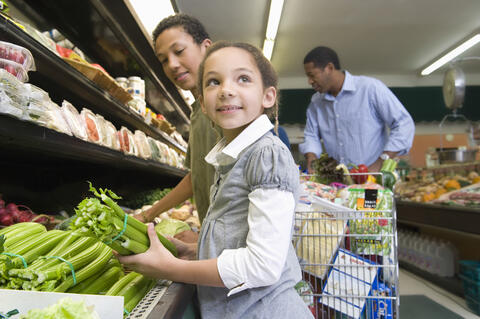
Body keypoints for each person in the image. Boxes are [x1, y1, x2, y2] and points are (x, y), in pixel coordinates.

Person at [117, 41, 313, 318]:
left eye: (243, 79)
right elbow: (240, 237)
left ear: (268, 97)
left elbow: (262, 265)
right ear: (203, 104)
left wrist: (168, 268)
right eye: (213, 82)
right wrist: (197, 250)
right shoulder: (232, 159)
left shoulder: (266, 155)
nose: (226, 90)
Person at [134, 14, 219, 226]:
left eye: (179, 51)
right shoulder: (198, 112)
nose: (172, 64)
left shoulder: (226, 107)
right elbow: (195, 178)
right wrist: (146, 216)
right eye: (163, 60)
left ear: (206, 47)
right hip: (216, 237)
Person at [299, 46, 414, 174]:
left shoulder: (370, 89)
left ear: (329, 68)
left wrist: (382, 161)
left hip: (374, 178)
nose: (309, 81)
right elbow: (311, 135)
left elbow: (404, 124)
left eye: (312, 75)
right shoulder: (316, 103)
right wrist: (312, 157)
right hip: (338, 181)